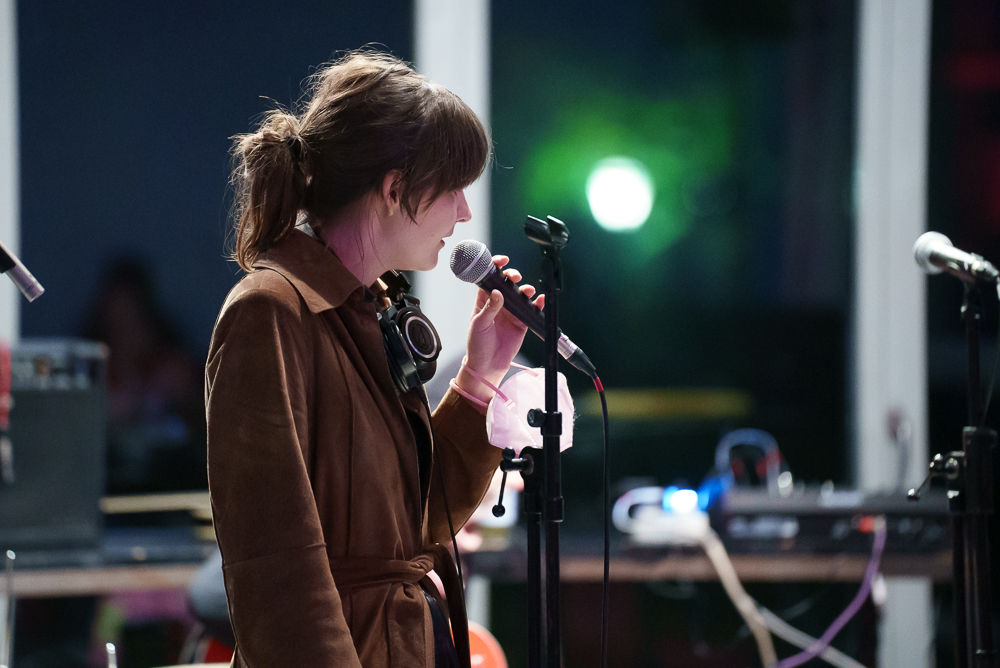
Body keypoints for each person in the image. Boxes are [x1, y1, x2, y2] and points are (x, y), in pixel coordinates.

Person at [205, 50, 539, 668]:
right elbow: (275, 570)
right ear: (393, 189)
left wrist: (480, 376)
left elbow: (418, 522)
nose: (464, 212)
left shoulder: (371, 310)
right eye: (453, 188)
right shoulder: (270, 311)